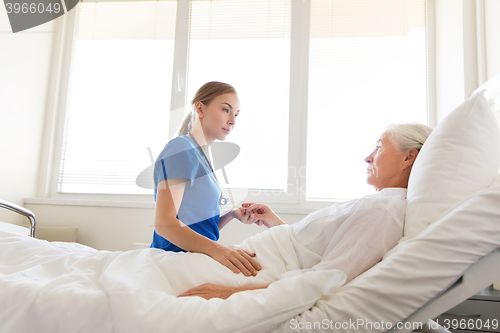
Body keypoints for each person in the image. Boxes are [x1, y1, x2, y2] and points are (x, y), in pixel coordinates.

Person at [177, 123, 433, 300]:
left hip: (257, 269)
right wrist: (274, 222)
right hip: (257, 258)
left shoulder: (385, 210)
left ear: (409, 157)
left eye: (378, 147)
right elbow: (314, 251)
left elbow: (327, 275)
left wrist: (230, 294)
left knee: (156, 277)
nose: (368, 157)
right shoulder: (380, 204)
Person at [151, 81, 261, 277]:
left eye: (236, 114)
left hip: (194, 258)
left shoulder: (200, 156)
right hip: (173, 260)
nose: (232, 121)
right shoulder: (182, 148)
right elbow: (164, 223)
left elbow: (198, 226)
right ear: (200, 109)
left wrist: (231, 215)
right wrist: (219, 250)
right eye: (226, 110)